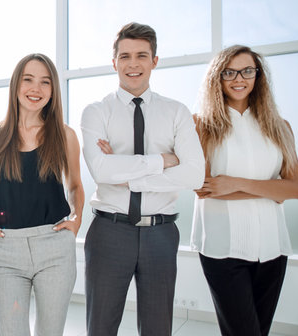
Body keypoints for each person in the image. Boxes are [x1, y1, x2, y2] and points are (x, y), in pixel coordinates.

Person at [80, 22, 205, 335]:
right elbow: (101, 171)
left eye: (141, 55)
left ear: (154, 61)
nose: (132, 64)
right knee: (101, 326)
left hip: (160, 235)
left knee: (157, 328)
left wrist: (129, 174)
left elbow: (194, 173)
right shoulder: (96, 112)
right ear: (114, 62)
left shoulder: (176, 112)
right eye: (124, 56)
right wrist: (162, 161)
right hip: (109, 231)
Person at [191, 45, 298, 336]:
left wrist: (235, 183)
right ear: (217, 77)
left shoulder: (281, 127)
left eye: (247, 71)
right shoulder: (201, 126)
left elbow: (295, 189)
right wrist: (271, 191)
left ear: (258, 76)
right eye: (229, 72)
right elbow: (204, 188)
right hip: (222, 250)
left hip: (272, 248)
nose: (238, 78)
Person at [0, 53, 84, 336]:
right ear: (16, 85)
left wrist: (76, 220)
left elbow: (74, 185)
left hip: (55, 247)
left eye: (44, 82)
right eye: (28, 80)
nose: (35, 89)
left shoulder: (64, 134)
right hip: (6, 250)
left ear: (53, 90)